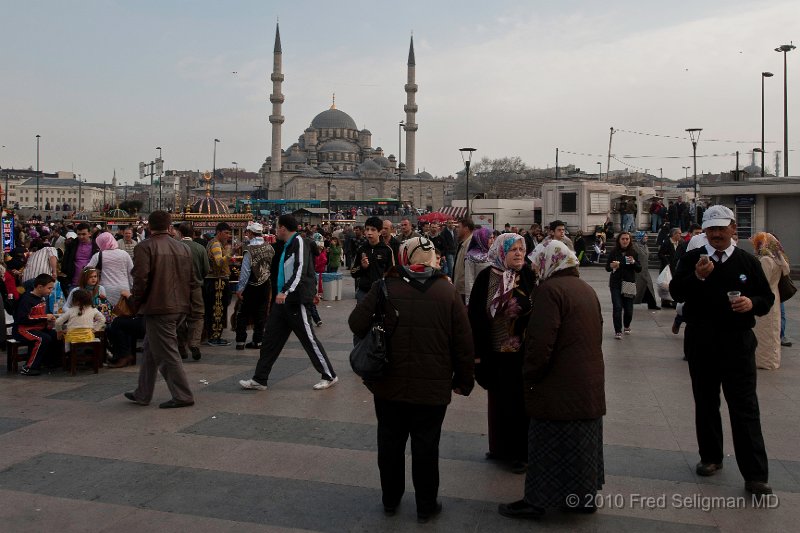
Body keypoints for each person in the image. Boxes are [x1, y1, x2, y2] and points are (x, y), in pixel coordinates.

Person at [348, 236, 474, 524]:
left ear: (403, 257)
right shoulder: (447, 291)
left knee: (390, 444)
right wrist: (464, 381)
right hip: (432, 388)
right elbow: (464, 343)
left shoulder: (384, 286)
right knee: (426, 447)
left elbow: (356, 323)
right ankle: (426, 506)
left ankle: (390, 501)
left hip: (388, 384)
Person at [669, 205, 774, 495]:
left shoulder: (747, 262)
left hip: (737, 343)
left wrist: (752, 303)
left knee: (745, 407)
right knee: (705, 402)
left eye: (721, 228)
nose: (716, 234)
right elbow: (676, 292)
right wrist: (699, 277)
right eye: (711, 228)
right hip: (702, 342)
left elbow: (766, 297)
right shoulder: (692, 259)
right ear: (704, 230)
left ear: (732, 230)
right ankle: (711, 457)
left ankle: (755, 474)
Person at [499, 240, 604, 519]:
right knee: (581, 443)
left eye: (537, 260)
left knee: (546, 443)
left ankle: (538, 501)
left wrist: (530, 373)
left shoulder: (549, 291)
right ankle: (582, 497)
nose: (533, 266)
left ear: (550, 261)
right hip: (587, 383)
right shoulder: (585, 288)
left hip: (558, 385)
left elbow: (541, 342)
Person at [239, 214, 338, 392]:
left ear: (283, 228)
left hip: (295, 299)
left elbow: (299, 269)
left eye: (277, 227)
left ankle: (329, 375)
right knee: (270, 340)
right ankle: (260, 378)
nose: (276, 231)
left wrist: (285, 291)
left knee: (308, 339)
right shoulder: (286, 245)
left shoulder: (298, 242)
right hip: (282, 301)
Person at [468, 233, 535, 472]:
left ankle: (522, 453)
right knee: (498, 401)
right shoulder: (487, 276)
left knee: (519, 404)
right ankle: (500, 447)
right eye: (513, 249)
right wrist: (476, 354)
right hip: (494, 350)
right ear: (500, 252)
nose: (518, 253)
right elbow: (475, 315)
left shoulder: (528, 275)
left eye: (521, 248)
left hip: (521, 352)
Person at [124, 211, 195, 409]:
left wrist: (133, 304)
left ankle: (182, 395)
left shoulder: (144, 247)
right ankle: (143, 392)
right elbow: (191, 279)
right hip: (180, 305)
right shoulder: (183, 248)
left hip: (159, 306)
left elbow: (140, 281)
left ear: (149, 227)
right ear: (170, 226)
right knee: (150, 348)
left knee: (166, 352)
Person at [750, 232, 789, 370]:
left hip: (766, 297)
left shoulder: (766, 260)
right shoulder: (777, 259)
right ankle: (772, 359)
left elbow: (762, 281)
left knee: (765, 331)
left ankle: (765, 361)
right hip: (775, 295)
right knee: (772, 330)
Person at [234, 222, 275, 350]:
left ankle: (240, 341)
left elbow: (245, 272)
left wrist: (240, 289)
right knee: (261, 314)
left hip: (251, 285)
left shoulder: (249, 250)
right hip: (265, 284)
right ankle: (258, 341)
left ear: (251, 233)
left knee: (243, 313)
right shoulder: (270, 248)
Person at [176, 222, 209, 361]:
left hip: (178, 289)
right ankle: (194, 343)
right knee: (197, 316)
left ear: (180, 233)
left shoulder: (175, 247)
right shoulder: (200, 248)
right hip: (195, 287)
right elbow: (206, 269)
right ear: (193, 233)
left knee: (179, 317)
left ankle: (181, 347)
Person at [13, 273, 57, 376]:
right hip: (22, 329)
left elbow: (39, 316)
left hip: (36, 327)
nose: (51, 291)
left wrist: (48, 321)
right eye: (49, 288)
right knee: (42, 339)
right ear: (40, 287)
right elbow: (23, 318)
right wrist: (45, 317)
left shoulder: (42, 298)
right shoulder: (26, 299)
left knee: (54, 334)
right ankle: (29, 367)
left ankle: (48, 362)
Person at [605, 231, 641, 339]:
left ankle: (627, 325)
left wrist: (634, 262)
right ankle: (617, 330)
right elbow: (607, 267)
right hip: (615, 283)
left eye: (627, 239)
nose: (625, 241)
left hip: (629, 283)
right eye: (623, 239)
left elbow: (639, 269)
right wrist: (612, 265)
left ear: (630, 240)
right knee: (617, 307)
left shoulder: (633, 252)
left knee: (628, 309)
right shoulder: (614, 252)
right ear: (619, 240)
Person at [351, 217, 394, 303]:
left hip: (381, 292)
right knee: (363, 316)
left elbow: (392, 273)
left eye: (373, 230)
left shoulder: (387, 250)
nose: (369, 233)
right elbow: (353, 272)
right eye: (367, 229)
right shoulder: (361, 249)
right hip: (363, 292)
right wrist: (362, 267)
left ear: (380, 232)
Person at [204, 222, 233, 346]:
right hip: (217, 281)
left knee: (216, 309)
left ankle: (213, 335)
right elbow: (219, 262)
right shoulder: (216, 244)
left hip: (214, 280)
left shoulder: (214, 243)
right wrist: (229, 253)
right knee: (217, 309)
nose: (228, 236)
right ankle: (215, 337)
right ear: (219, 232)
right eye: (226, 233)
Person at [87, 231, 133, 306]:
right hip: (124, 289)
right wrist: (131, 288)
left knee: (107, 313)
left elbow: (87, 270)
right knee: (123, 313)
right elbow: (131, 273)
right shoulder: (124, 254)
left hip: (105, 290)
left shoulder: (98, 256)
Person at [61, 223, 99, 293]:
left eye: (84, 234)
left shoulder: (96, 246)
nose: (81, 236)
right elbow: (65, 261)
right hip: (74, 282)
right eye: (79, 234)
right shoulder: (72, 244)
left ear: (89, 233)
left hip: (90, 283)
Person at [464, 227, 494, 305]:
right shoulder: (471, 256)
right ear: (482, 239)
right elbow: (469, 280)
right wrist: (469, 302)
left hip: (493, 295)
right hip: (479, 295)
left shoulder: (493, 253)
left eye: (493, 237)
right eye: (489, 238)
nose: (492, 240)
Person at [632, 231, 660, 310]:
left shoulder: (645, 246)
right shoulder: (635, 247)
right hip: (638, 272)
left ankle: (652, 304)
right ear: (640, 238)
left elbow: (649, 255)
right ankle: (627, 303)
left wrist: (658, 256)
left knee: (649, 287)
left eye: (647, 237)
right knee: (637, 288)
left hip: (645, 271)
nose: (647, 238)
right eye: (645, 237)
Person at [452, 217, 475, 304]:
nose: (456, 229)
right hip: (460, 289)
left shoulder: (470, 244)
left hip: (464, 291)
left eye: (458, 227)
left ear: (466, 229)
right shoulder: (464, 243)